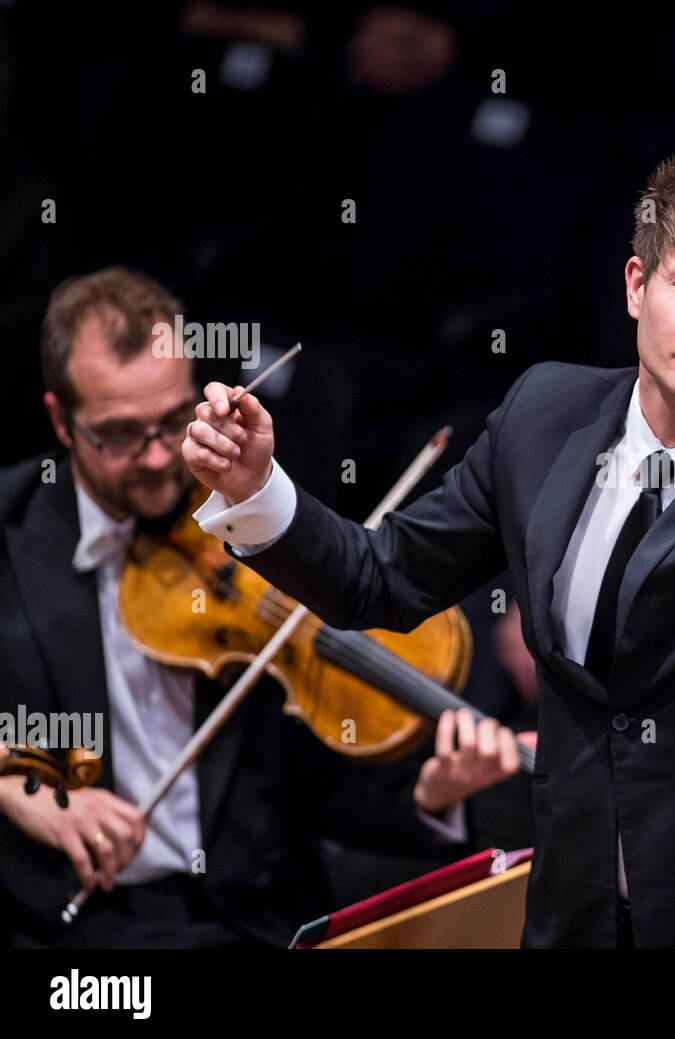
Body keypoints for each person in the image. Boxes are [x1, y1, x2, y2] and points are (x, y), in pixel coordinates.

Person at [183, 141, 675, 948]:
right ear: (638, 285)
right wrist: (254, 487)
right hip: (580, 910)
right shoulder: (544, 409)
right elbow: (377, 577)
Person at [0, 267, 525, 949]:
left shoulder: (252, 519)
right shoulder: (8, 531)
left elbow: (318, 790)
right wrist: (18, 785)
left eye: (172, 419)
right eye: (122, 434)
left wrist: (432, 795)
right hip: (74, 933)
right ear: (59, 420)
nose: (162, 458)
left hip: (254, 924)